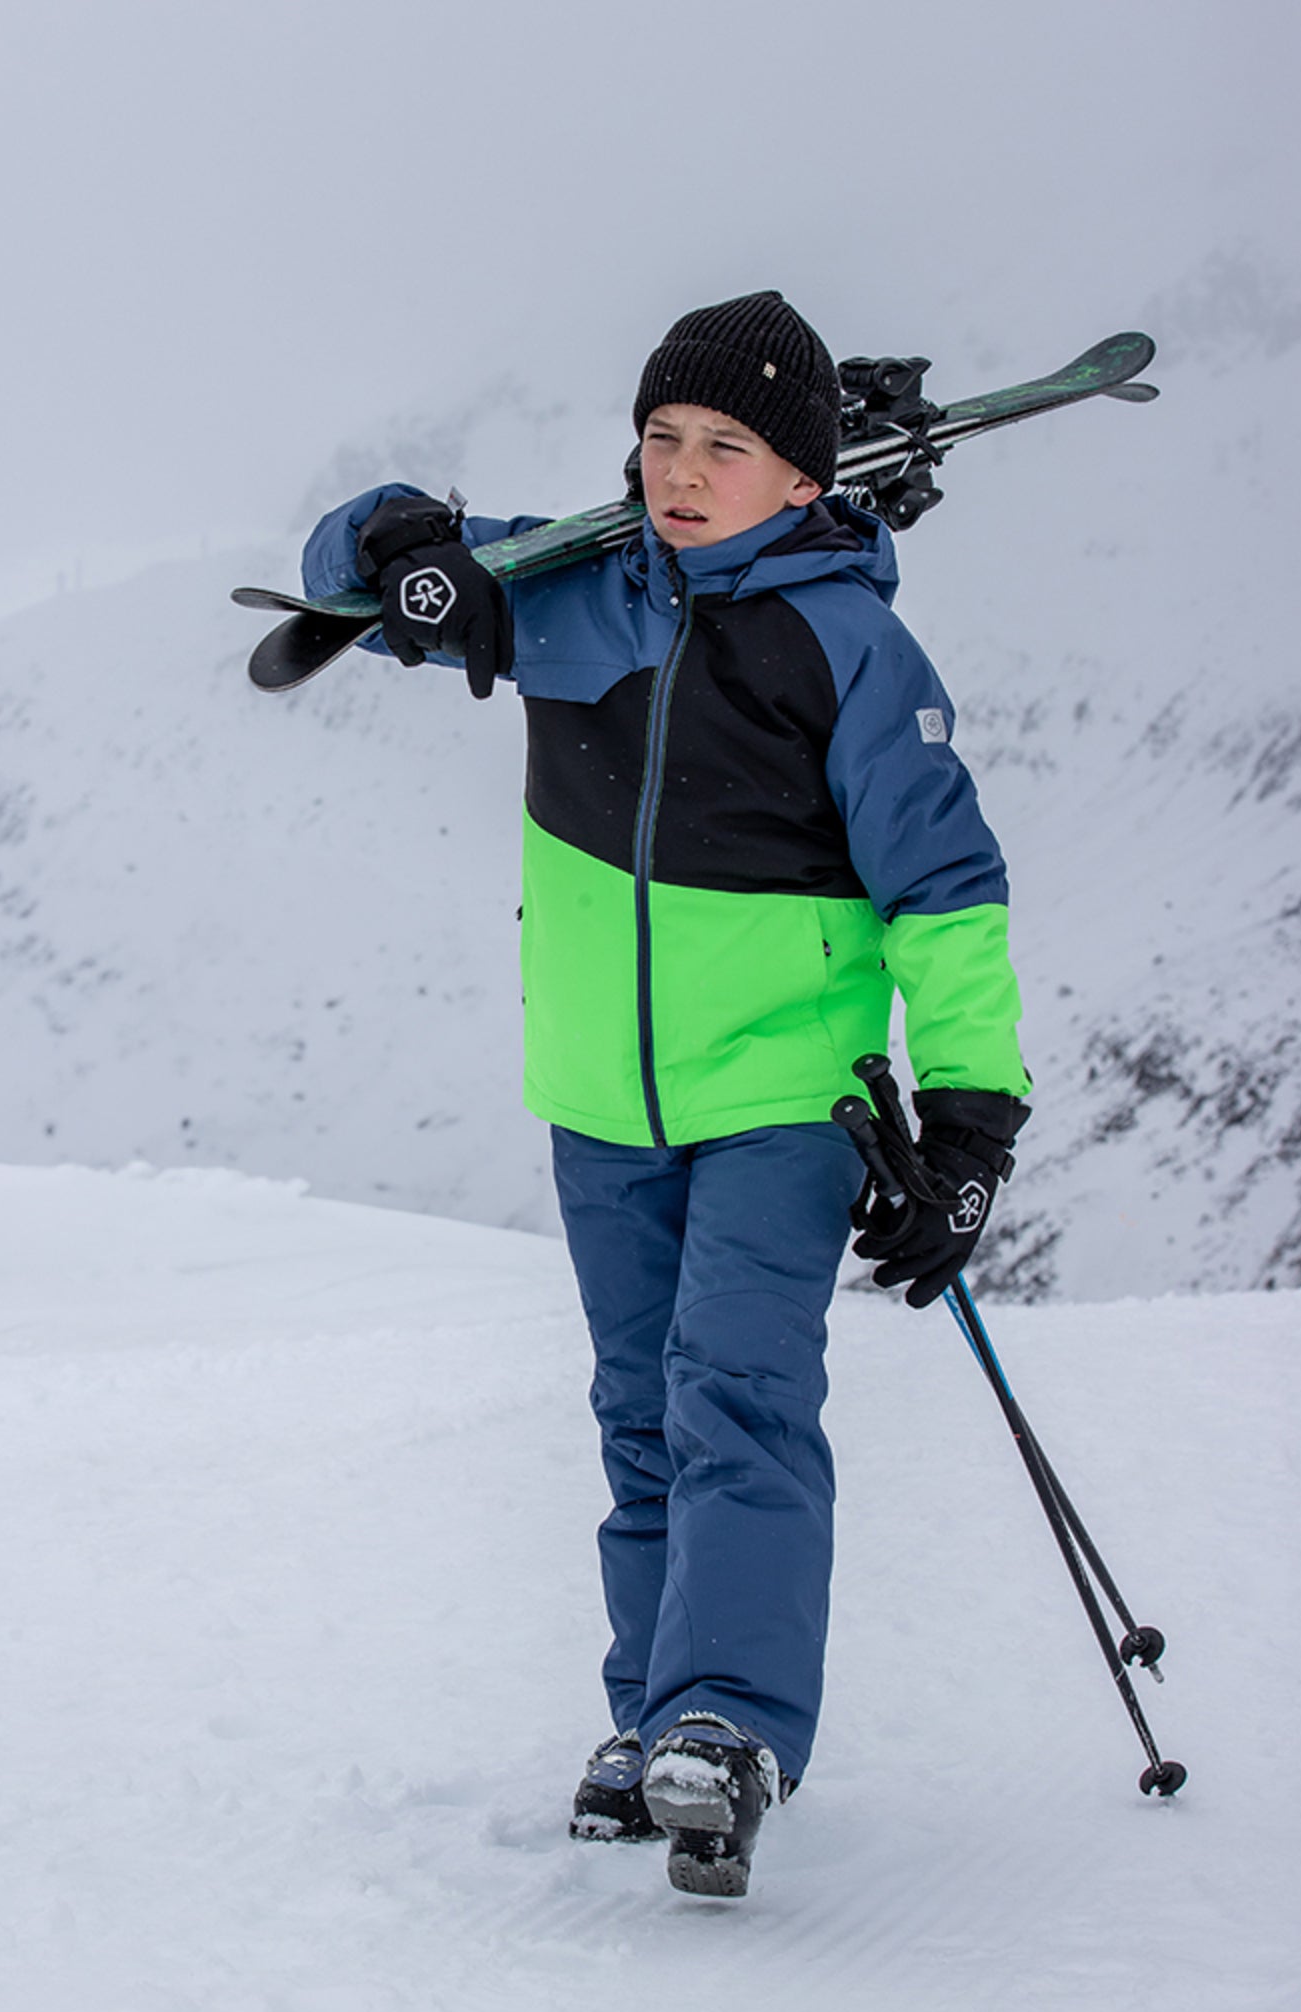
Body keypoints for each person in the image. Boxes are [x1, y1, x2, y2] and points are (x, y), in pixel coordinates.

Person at [300, 290, 1032, 1898]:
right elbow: (341, 561)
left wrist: (970, 1121)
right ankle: (652, 1718)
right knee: (640, 1416)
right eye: (661, 439)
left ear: (804, 480)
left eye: (727, 448)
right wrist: (405, 536)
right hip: (596, 1101)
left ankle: (732, 1720)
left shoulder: (852, 643)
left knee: (737, 1396)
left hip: (782, 1101)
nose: (684, 472)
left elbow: (948, 898)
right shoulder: (564, 589)